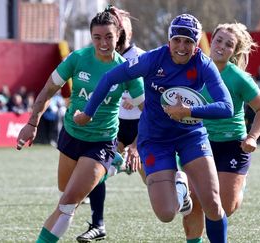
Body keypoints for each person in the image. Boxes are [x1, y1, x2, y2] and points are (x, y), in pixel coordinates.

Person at [74, 14, 234, 243]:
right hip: (155, 139)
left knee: (213, 204)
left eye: (188, 42)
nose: (182, 47)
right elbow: (110, 78)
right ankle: (181, 186)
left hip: (191, 135)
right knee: (166, 213)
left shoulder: (203, 63)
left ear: (196, 45)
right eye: (177, 40)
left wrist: (189, 112)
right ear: (169, 40)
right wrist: (88, 113)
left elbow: (226, 107)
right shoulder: (152, 60)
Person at [15, 9, 144, 243]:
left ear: (118, 36)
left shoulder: (128, 70)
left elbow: (149, 112)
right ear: (90, 37)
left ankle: (107, 163)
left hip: (101, 141)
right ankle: (114, 166)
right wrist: (32, 123)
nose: (103, 43)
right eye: (97, 37)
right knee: (65, 189)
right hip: (71, 135)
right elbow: (48, 90)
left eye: (108, 37)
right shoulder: (77, 58)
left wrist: (135, 145)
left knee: (67, 205)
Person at [182, 22, 260, 243]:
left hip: (233, 145)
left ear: (234, 51)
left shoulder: (238, 77)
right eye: (218, 40)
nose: (221, 46)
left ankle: (239, 185)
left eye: (228, 44)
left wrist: (252, 137)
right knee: (193, 201)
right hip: (200, 143)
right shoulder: (194, 69)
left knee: (224, 206)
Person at [76, 5, 145, 243]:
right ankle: (98, 224)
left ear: (122, 31)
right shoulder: (100, 57)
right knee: (97, 171)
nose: (105, 38)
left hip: (142, 126)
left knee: (156, 183)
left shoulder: (139, 58)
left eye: (117, 24)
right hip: (116, 127)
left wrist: (137, 144)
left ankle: (180, 188)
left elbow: (149, 101)